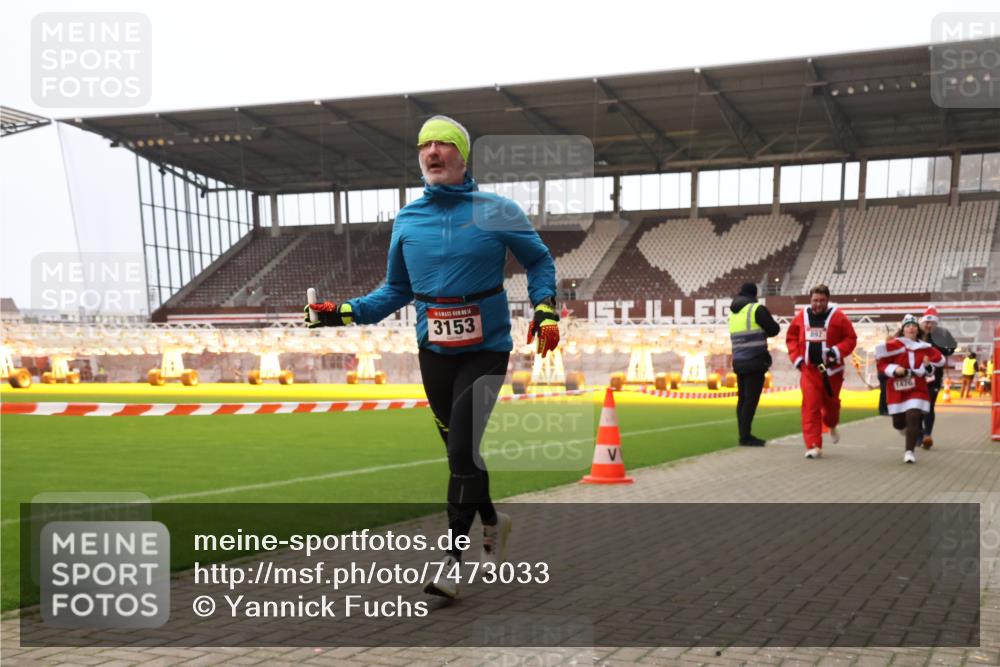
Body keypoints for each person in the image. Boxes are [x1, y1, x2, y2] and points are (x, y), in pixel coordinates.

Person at [305, 115, 558, 599]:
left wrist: (546, 308)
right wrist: (340, 313)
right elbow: (396, 290)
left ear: (464, 157)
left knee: (462, 448)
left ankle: (452, 559)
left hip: (486, 350)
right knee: (460, 453)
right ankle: (492, 519)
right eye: (425, 145)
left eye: (444, 144)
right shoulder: (408, 219)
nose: (433, 151)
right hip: (434, 352)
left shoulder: (497, 210)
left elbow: (539, 260)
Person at [785, 284, 857, 459]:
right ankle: (813, 445)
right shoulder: (801, 317)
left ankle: (831, 424)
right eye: (815, 300)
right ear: (810, 300)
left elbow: (851, 338)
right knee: (810, 407)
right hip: (809, 371)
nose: (818, 304)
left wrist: (836, 350)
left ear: (827, 300)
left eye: (821, 300)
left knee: (831, 407)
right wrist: (797, 358)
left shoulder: (839, 317)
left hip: (832, 372)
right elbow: (791, 338)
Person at [876, 314, 945, 464]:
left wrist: (927, 366)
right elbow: (881, 365)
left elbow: (937, 363)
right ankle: (905, 430)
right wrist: (895, 369)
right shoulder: (894, 345)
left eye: (914, 325)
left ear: (917, 329)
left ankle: (909, 452)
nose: (911, 328)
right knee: (899, 423)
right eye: (908, 326)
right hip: (897, 387)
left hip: (917, 386)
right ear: (903, 330)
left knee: (914, 415)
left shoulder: (925, 347)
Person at [728, 282, 781, 446]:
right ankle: (745, 437)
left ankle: (743, 433)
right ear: (754, 294)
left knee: (742, 400)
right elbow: (774, 329)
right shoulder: (756, 309)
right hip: (755, 360)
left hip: (739, 361)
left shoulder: (733, 313)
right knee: (751, 400)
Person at [917, 306, 956, 449]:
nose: (928, 325)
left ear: (935, 324)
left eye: (931, 323)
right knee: (917, 407)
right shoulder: (917, 335)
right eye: (926, 323)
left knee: (929, 406)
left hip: (934, 376)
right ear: (922, 323)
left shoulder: (942, 335)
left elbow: (951, 349)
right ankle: (919, 435)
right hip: (917, 377)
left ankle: (927, 435)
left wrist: (942, 346)